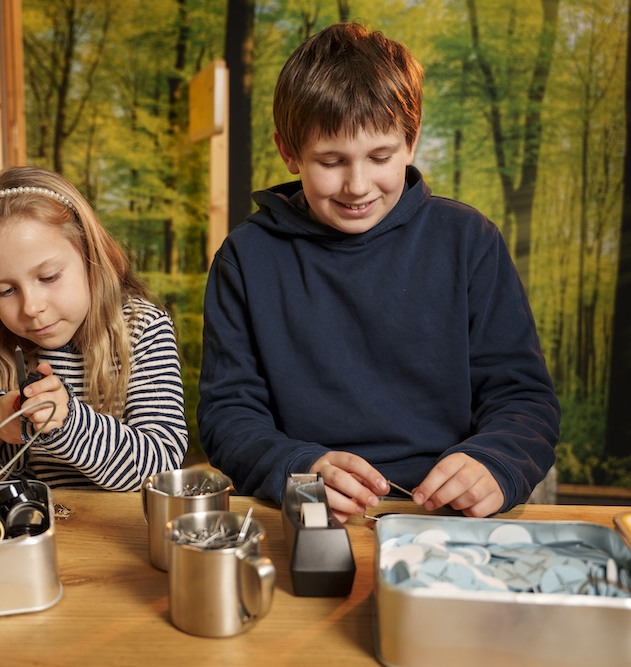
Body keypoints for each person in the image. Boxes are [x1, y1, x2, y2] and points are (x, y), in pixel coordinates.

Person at [197, 22, 560, 522]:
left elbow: (523, 399)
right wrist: (297, 467)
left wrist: (495, 463)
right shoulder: (245, 257)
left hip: (448, 513)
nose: (357, 185)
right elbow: (228, 416)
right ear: (289, 152)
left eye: (380, 156)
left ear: (410, 143)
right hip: (309, 505)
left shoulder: (469, 240)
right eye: (331, 160)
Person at [0, 166, 189, 491]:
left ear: (89, 254)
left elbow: (161, 465)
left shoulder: (142, 329)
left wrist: (70, 423)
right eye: (5, 290)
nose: (31, 307)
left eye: (48, 277)